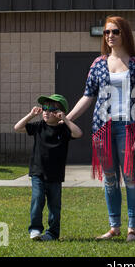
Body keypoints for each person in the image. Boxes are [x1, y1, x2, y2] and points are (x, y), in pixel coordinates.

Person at [67, 16, 135, 242]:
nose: (110, 36)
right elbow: (87, 96)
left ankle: (133, 228)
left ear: (124, 34)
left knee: (131, 178)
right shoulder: (98, 64)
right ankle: (114, 226)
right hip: (103, 128)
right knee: (110, 178)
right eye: (107, 32)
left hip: (129, 127)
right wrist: (67, 119)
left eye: (115, 31)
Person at [14, 94, 83, 241]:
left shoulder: (64, 130)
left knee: (54, 206)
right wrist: (31, 115)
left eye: (51, 109)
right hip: (38, 172)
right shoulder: (39, 127)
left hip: (55, 175)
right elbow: (17, 127)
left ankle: (52, 233)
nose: (46, 111)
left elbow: (78, 133)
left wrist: (65, 119)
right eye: (44, 108)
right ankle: (35, 229)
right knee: (37, 199)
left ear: (59, 113)